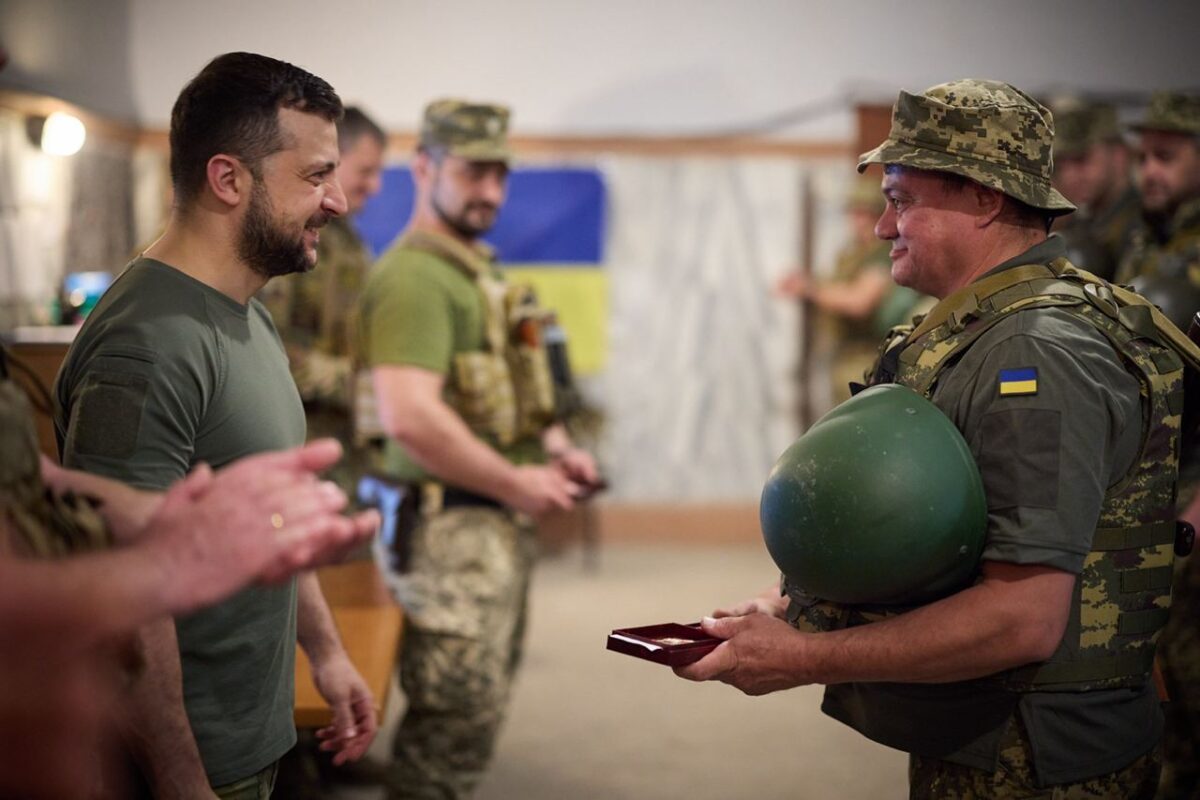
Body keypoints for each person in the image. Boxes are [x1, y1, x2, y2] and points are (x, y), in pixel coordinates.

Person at [676, 79, 1195, 798]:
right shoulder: (977, 330)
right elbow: (943, 533)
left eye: (903, 199)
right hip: (990, 734)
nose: (885, 227)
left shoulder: (1037, 355)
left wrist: (803, 658)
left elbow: (1020, 619)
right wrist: (788, 606)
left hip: (1038, 759)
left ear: (985, 196)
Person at [53, 52, 377, 798]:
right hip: (188, 764)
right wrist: (181, 778)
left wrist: (324, 652)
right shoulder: (149, 342)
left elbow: (272, 512)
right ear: (229, 180)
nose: (337, 201)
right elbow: (124, 593)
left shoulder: (245, 311)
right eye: (314, 176)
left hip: (250, 734)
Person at [1, 343, 378, 799]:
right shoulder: (147, 341)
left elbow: (28, 479)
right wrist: (132, 581)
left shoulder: (250, 324)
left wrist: (162, 518)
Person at [357, 98, 600, 798]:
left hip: (492, 525)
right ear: (425, 166)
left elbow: (520, 394)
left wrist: (555, 450)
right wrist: (519, 484)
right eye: (473, 173)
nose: (490, 192)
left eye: (500, 174)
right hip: (447, 532)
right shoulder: (413, 277)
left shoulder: (478, 272)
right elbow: (411, 417)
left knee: (477, 716)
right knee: (446, 735)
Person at [260, 106, 387, 490]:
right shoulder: (287, 241)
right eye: (366, 171)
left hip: (342, 456)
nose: (376, 185)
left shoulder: (347, 243)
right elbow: (267, 350)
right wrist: (355, 385)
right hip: (290, 453)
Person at [775, 178, 929, 403]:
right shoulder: (852, 254)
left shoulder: (884, 253)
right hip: (844, 354)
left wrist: (810, 289)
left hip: (868, 356)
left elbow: (860, 302)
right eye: (853, 213)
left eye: (864, 214)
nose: (857, 221)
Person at [1051, 100, 1141, 281]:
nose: (1069, 176)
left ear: (1119, 156)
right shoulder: (1082, 223)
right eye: (1061, 163)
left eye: (1081, 159)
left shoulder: (1143, 228)